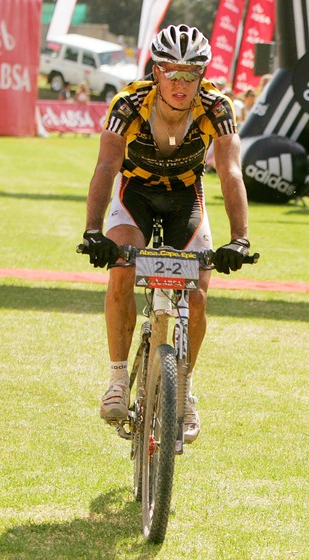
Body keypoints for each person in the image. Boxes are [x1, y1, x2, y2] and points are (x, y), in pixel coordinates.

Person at [80, 25, 253, 443]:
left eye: (191, 75)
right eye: (172, 73)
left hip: (184, 199)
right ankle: (118, 379)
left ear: (203, 76)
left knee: (197, 294)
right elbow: (106, 167)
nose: (181, 84)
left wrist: (240, 238)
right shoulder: (129, 103)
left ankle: (185, 389)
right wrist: (92, 230)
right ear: (155, 72)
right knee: (121, 270)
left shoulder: (217, 106)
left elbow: (230, 171)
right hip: (134, 193)